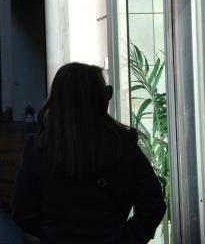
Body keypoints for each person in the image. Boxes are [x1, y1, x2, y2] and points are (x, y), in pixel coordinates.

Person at [12, 62, 166, 243]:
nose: (108, 98)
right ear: (97, 100)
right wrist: (127, 238)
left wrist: (51, 233)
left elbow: (22, 211)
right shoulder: (123, 144)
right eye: (106, 92)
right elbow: (153, 204)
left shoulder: (38, 147)